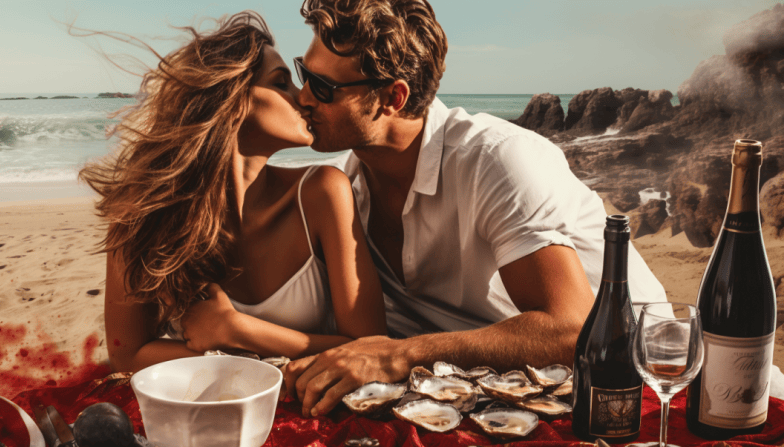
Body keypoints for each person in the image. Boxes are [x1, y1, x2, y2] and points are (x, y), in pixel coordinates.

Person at [283, 0, 668, 417]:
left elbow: (571, 329)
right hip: (489, 384)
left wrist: (399, 355)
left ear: (393, 97)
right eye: (304, 74)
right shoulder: (342, 188)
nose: (302, 97)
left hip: (637, 378)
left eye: (322, 87)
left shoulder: (496, 160)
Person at [78, 11, 387, 373]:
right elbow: (127, 355)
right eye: (281, 81)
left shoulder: (321, 193)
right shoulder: (142, 215)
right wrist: (248, 364)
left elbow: (370, 349)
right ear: (234, 101)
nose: (303, 97)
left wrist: (239, 330)